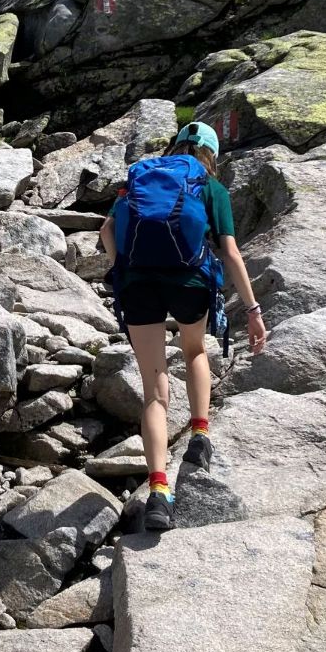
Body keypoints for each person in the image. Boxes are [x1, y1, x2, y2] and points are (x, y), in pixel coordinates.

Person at [99, 118, 267, 532]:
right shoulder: (210, 186)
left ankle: (158, 492)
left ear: (175, 146)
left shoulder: (142, 178)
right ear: (212, 153)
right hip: (190, 282)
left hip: (138, 284)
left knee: (154, 391)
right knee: (194, 350)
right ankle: (199, 436)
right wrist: (252, 310)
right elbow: (229, 252)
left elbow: (107, 230)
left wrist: (121, 268)